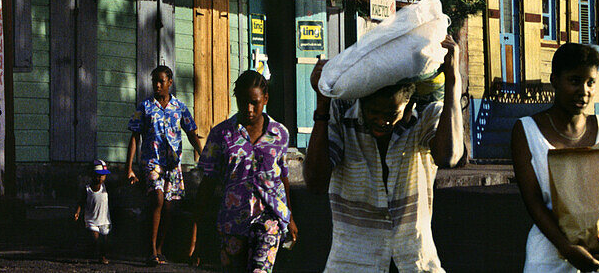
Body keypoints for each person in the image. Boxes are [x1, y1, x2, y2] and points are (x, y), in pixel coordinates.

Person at [304, 33, 463, 272]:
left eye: (390, 114)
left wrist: (453, 81)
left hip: (414, 261)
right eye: (373, 113)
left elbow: (448, 156)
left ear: (409, 106)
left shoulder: (427, 117)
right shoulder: (342, 116)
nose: (381, 121)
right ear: (361, 104)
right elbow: (315, 181)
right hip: (353, 263)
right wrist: (322, 105)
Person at [511, 43, 599, 272]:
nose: (584, 90)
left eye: (590, 82)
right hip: (549, 257)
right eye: (575, 81)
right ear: (554, 80)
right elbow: (533, 201)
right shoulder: (526, 130)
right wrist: (566, 248)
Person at [192, 70, 298, 273]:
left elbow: (282, 177)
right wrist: (196, 233)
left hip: (269, 218)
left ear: (265, 99)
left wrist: (290, 217)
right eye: (243, 102)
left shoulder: (280, 134)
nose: (249, 109)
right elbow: (208, 183)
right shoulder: (221, 134)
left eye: (254, 102)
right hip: (232, 221)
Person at [125, 64, 203, 265]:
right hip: (152, 162)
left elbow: (191, 133)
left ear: (170, 82)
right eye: (154, 81)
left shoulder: (179, 107)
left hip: (172, 165)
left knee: (169, 208)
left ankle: (160, 249)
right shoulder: (144, 107)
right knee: (157, 200)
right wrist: (129, 168)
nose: (157, 85)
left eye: (161, 81)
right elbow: (135, 137)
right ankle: (151, 250)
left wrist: (203, 155)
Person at [74, 159, 113, 264]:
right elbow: (81, 202)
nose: (100, 178)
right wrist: (77, 212)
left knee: (104, 240)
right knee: (95, 238)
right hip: (91, 219)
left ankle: (102, 256)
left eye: (103, 176)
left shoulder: (106, 188)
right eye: (98, 175)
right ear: (92, 175)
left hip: (104, 220)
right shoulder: (87, 189)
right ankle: (94, 251)